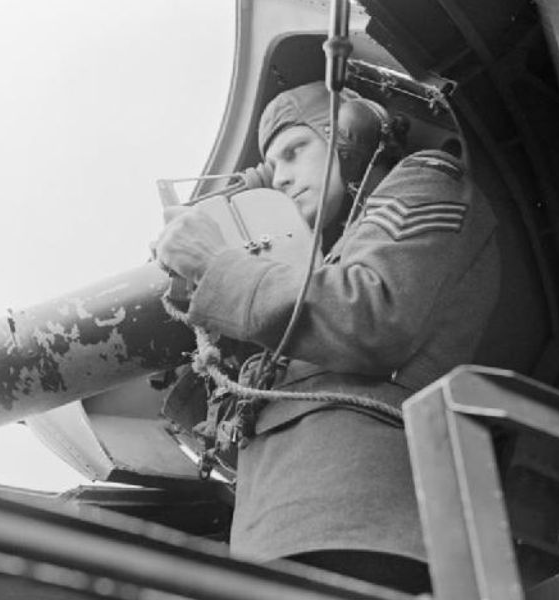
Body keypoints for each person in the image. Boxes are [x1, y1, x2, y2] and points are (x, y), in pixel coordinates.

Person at [153, 81, 500, 593]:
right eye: (275, 169)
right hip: (290, 536)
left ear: (352, 137)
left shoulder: (423, 182)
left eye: (295, 152)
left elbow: (373, 315)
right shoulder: (327, 263)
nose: (285, 180)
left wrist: (216, 265)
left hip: (363, 527)